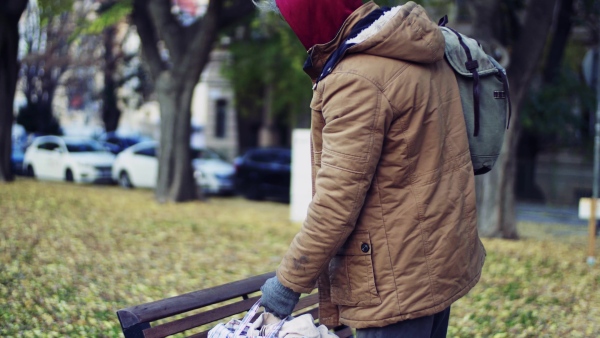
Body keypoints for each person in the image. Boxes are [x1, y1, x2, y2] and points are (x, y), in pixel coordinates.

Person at [254, 1, 486, 337]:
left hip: (396, 284)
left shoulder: (356, 80)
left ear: (313, 18)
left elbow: (335, 205)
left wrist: (284, 288)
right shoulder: (419, 51)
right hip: (434, 264)